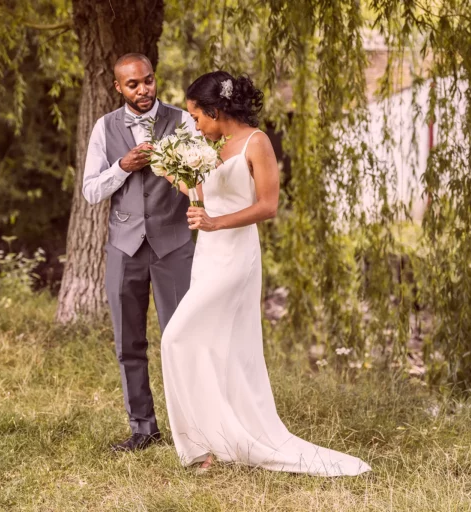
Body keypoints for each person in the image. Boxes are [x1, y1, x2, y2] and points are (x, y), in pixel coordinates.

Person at [159, 71, 371, 476]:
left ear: (216, 111)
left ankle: (213, 441)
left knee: (176, 337)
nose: (194, 124)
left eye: (197, 116)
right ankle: (209, 444)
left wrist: (216, 224)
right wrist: (171, 173)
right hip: (207, 254)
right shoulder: (207, 144)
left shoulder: (257, 143)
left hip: (236, 255)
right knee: (207, 344)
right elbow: (202, 193)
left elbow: (267, 206)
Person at [81, 53, 198, 452]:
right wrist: (122, 166)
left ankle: (192, 430)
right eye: (133, 84)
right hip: (124, 247)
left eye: (148, 81)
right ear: (118, 87)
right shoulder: (104, 127)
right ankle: (143, 429)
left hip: (174, 244)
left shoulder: (183, 121)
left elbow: (201, 177)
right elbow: (91, 191)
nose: (144, 90)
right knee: (128, 342)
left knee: (180, 339)